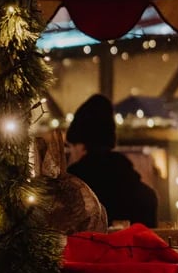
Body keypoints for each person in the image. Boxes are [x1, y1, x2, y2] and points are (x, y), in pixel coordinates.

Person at [65, 94, 158, 227]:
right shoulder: (142, 192)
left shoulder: (72, 185)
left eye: (72, 146)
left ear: (82, 145)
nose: (72, 154)